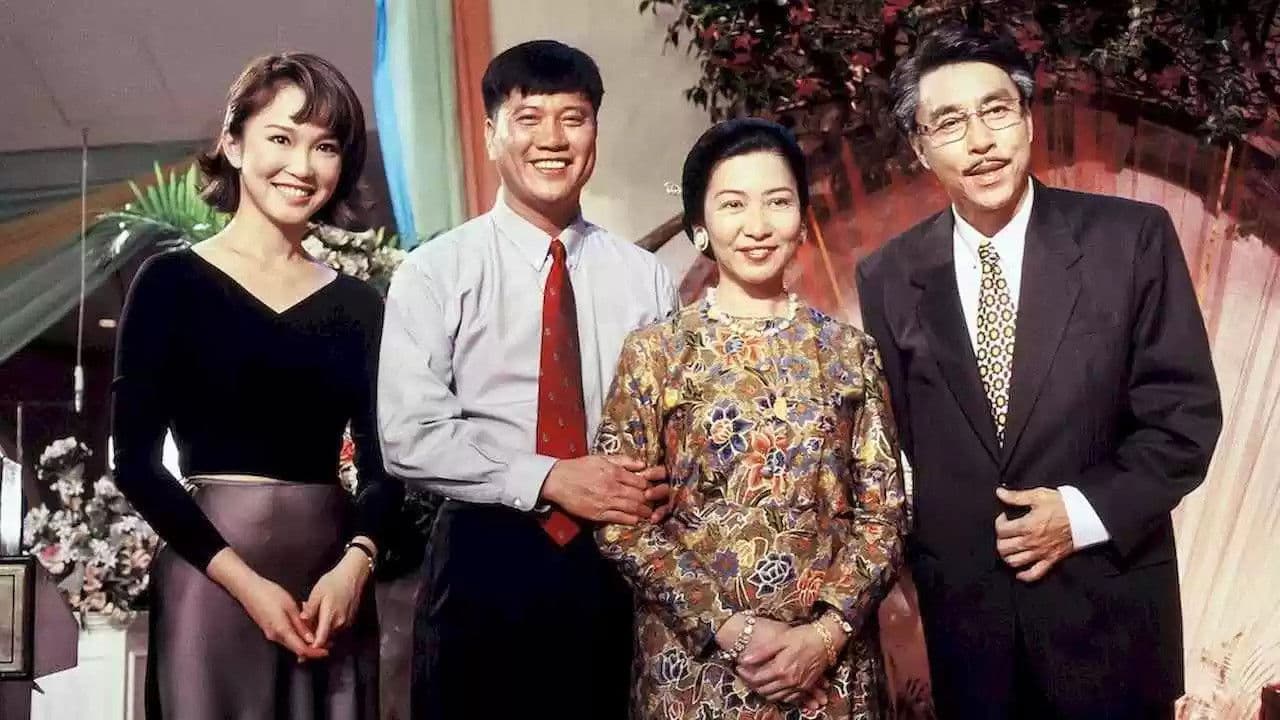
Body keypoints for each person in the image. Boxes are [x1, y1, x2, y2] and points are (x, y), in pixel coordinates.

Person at [856, 25, 1223, 719]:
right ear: (921, 148)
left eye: (996, 110)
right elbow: (904, 445)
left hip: (1110, 618)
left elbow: (1185, 424)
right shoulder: (888, 275)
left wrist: (1080, 514)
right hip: (970, 638)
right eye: (950, 122)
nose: (980, 140)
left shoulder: (1130, 240)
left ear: (1027, 119)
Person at [376, 39, 678, 720]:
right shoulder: (435, 273)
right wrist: (549, 477)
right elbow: (408, 436)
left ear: (594, 134)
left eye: (573, 118)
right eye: (529, 118)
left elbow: (670, 428)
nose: (553, 139)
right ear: (491, 135)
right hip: (483, 558)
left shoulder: (644, 279)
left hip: (615, 560)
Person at [111, 53, 398, 720]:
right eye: (281, 138)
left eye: (325, 146)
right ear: (234, 145)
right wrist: (246, 585)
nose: (302, 165)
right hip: (211, 579)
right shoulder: (169, 283)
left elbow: (387, 468)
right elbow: (135, 465)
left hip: (331, 592)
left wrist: (355, 565)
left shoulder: (360, 305)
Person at [594, 118, 907, 720]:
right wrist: (730, 629)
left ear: (802, 219)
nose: (757, 226)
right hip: (696, 669)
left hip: (831, 672)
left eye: (778, 202)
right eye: (733, 204)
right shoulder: (655, 353)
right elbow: (620, 524)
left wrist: (823, 638)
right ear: (700, 226)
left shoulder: (849, 351)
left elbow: (885, 516)